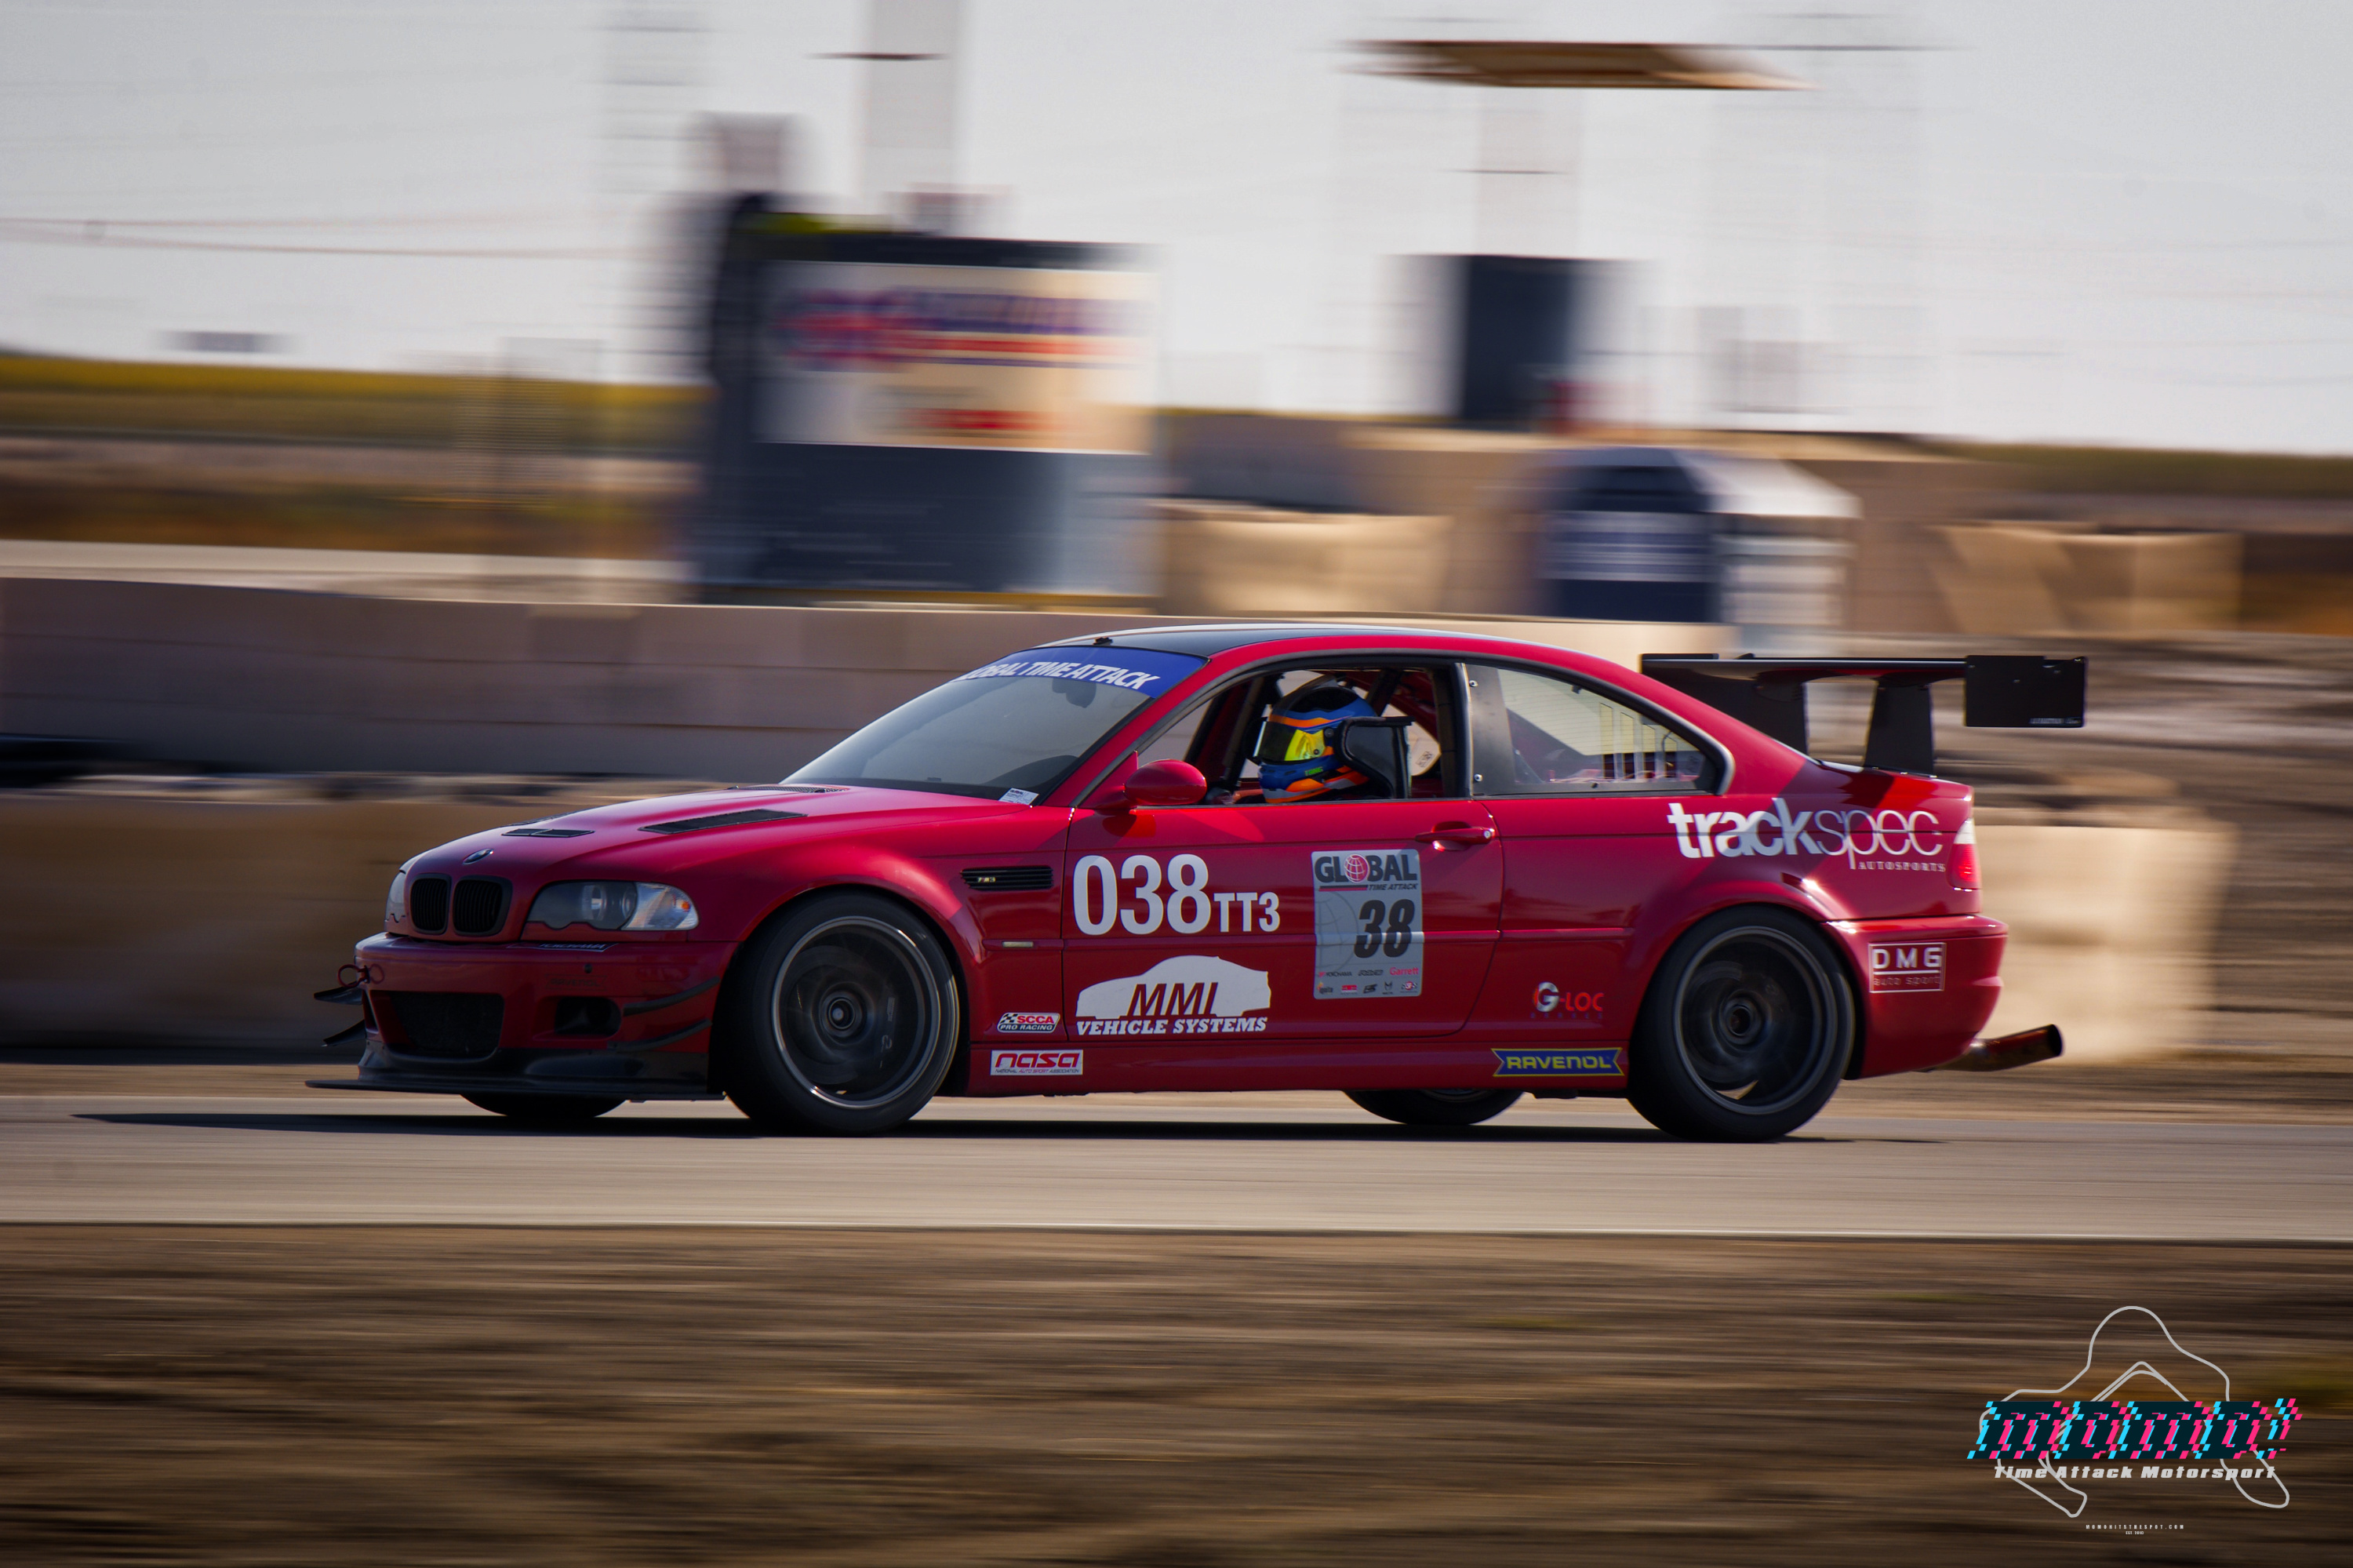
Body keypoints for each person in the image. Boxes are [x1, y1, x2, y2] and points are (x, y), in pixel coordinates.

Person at [1253, 679, 1381, 802]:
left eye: (1304, 747)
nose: (1279, 752)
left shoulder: (1361, 810)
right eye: (1276, 745)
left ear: (1345, 748)